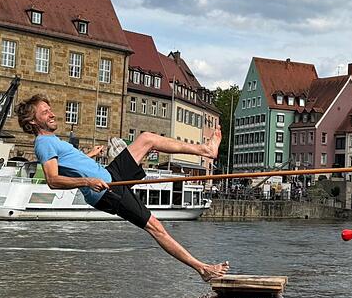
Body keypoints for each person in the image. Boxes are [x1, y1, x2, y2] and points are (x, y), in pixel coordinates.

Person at [15, 94, 229, 281]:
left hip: (110, 175)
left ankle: (205, 150)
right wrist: (87, 181)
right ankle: (203, 269)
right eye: (45, 112)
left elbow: (70, 165)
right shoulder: (43, 144)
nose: (52, 114)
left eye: (50, 110)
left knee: (147, 139)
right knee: (155, 226)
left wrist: (89, 156)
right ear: (33, 121)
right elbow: (53, 180)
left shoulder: (51, 140)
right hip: (106, 191)